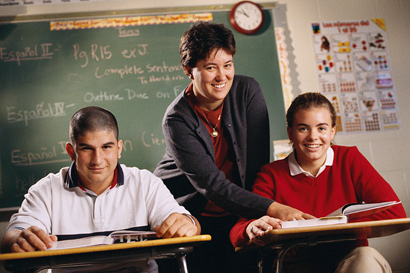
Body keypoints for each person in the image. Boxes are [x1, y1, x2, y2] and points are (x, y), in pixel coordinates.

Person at [153, 22, 310, 273]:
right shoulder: (176, 119)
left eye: (227, 65)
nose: (222, 76)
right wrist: (277, 209)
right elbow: (212, 186)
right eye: (210, 67)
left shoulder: (247, 91)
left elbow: (257, 167)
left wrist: (255, 217)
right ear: (188, 70)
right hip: (192, 217)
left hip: (239, 214)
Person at [1, 106, 200, 273]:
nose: (97, 160)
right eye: (87, 148)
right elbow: (11, 239)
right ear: (72, 151)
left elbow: (188, 226)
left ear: (119, 148)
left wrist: (187, 223)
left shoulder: (145, 183)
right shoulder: (45, 191)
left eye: (106, 147)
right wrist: (18, 240)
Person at [230, 92, 407, 273]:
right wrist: (251, 227)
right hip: (297, 266)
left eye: (321, 128)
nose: (313, 137)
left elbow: (395, 213)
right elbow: (238, 232)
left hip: (351, 262)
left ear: (332, 132)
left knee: (366, 258)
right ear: (290, 133)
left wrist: (336, 225)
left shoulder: (350, 159)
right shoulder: (271, 174)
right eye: (303, 128)